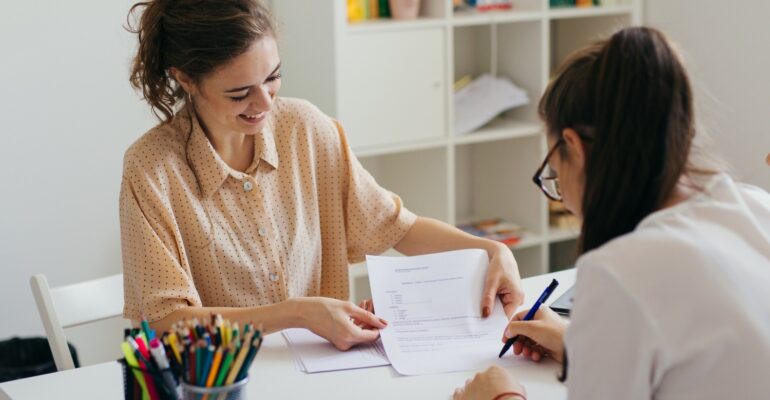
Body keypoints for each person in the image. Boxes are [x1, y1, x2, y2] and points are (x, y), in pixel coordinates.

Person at [121, 0, 524, 351]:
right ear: (185, 78)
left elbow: (399, 228)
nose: (264, 103)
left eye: (272, 77)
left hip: (324, 373)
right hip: (225, 380)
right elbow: (165, 320)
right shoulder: (152, 168)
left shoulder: (307, 129)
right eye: (240, 92)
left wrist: (491, 251)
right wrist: (296, 313)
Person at [454, 27, 770, 400]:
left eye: (554, 172)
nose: (563, 198)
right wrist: (582, 347)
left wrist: (502, 397)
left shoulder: (619, 273)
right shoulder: (755, 205)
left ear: (574, 147)